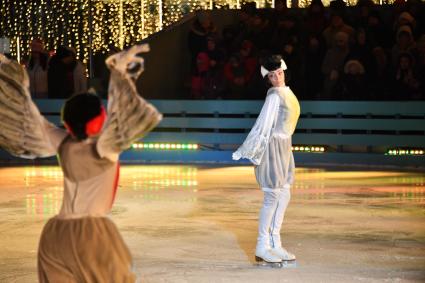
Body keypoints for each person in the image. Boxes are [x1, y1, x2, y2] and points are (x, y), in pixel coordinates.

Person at [0, 44, 162, 282]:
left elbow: (27, 111)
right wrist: (119, 71)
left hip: (55, 235)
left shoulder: (63, 143)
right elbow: (122, 114)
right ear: (98, 120)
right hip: (91, 235)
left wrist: (4, 64)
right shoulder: (104, 148)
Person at [232, 55, 300, 264]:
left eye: (279, 73)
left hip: (285, 148)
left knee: (284, 194)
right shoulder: (273, 97)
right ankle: (262, 246)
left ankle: (275, 243)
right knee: (272, 196)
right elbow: (262, 125)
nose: (276, 78)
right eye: (272, 76)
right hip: (273, 149)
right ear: (268, 79)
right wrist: (248, 148)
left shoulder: (286, 92)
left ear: (284, 73)